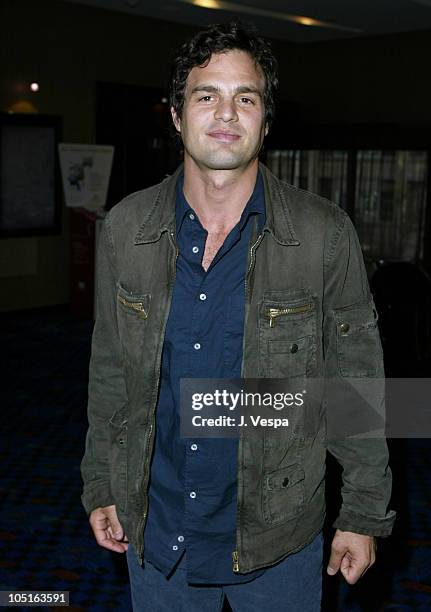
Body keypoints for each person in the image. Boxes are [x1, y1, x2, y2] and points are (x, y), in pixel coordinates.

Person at [81, 20, 395, 611]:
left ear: (265, 120)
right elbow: (110, 370)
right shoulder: (126, 228)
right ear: (177, 116)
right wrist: (101, 482)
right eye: (207, 96)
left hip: (278, 537)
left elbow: (358, 386)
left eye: (244, 98)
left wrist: (363, 513)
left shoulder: (324, 234)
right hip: (158, 535)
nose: (226, 113)